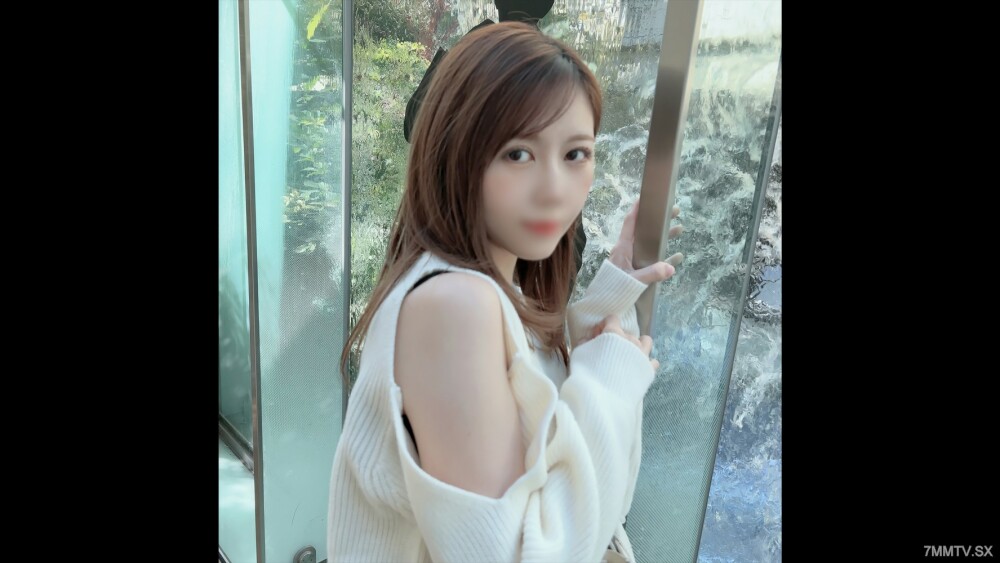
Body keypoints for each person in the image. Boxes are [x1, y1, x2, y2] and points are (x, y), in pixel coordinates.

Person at [327, 21, 679, 563]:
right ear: (456, 152)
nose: (554, 191)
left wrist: (608, 307)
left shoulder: (481, 287)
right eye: (517, 154)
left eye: (576, 154)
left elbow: (583, 495)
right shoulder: (453, 304)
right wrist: (608, 382)